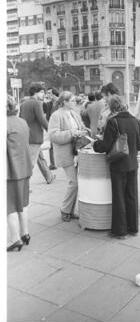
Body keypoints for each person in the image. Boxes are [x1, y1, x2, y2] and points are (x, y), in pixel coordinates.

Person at [93, 96, 140, 239]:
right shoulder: (137, 121)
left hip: (118, 164)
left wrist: (95, 144)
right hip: (133, 164)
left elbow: (105, 146)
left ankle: (120, 231)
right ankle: (133, 228)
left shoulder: (113, 122)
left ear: (112, 107)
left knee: (119, 197)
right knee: (132, 195)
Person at [48, 91, 88, 222]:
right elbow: (53, 135)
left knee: (76, 183)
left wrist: (85, 131)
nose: (74, 102)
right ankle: (65, 210)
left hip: (77, 152)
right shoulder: (56, 115)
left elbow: (81, 127)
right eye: (72, 100)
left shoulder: (74, 113)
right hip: (66, 153)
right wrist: (72, 133)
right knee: (74, 183)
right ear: (64, 102)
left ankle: (69, 210)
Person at [7, 95, 32, 251]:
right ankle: (25, 233)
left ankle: (15, 239)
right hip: (24, 169)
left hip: (10, 171)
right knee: (23, 204)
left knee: (9, 207)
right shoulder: (22, 122)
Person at [19, 83, 55, 184]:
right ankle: (24, 185)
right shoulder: (36, 103)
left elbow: (20, 119)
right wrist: (51, 130)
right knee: (31, 163)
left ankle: (49, 176)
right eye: (42, 92)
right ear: (35, 92)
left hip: (26, 136)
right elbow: (42, 119)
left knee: (40, 157)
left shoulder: (23, 104)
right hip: (35, 137)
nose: (43, 94)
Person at [43, 87, 59, 170]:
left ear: (54, 93)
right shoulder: (48, 104)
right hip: (52, 127)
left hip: (61, 127)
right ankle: (53, 164)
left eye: (49, 93)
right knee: (52, 147)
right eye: (47, 93)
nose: (47, 95)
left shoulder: (61, 102)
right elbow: (47, 117)